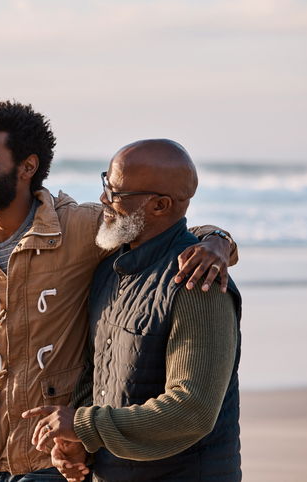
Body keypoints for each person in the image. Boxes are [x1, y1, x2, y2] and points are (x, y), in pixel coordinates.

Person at [0, 102, 237, 481]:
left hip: (49, 457)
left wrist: (218, 242)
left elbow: (168, 229)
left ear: (27, 167)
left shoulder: (85, 229)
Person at [23, 139, 242, 481]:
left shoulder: (198, 285)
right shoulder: (109, 269)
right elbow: (96, 372)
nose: (103, 200)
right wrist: (79, 442)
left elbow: (192, 410)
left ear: (159, 205)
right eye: (105, 184)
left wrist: (83, 425)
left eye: (116, 193)